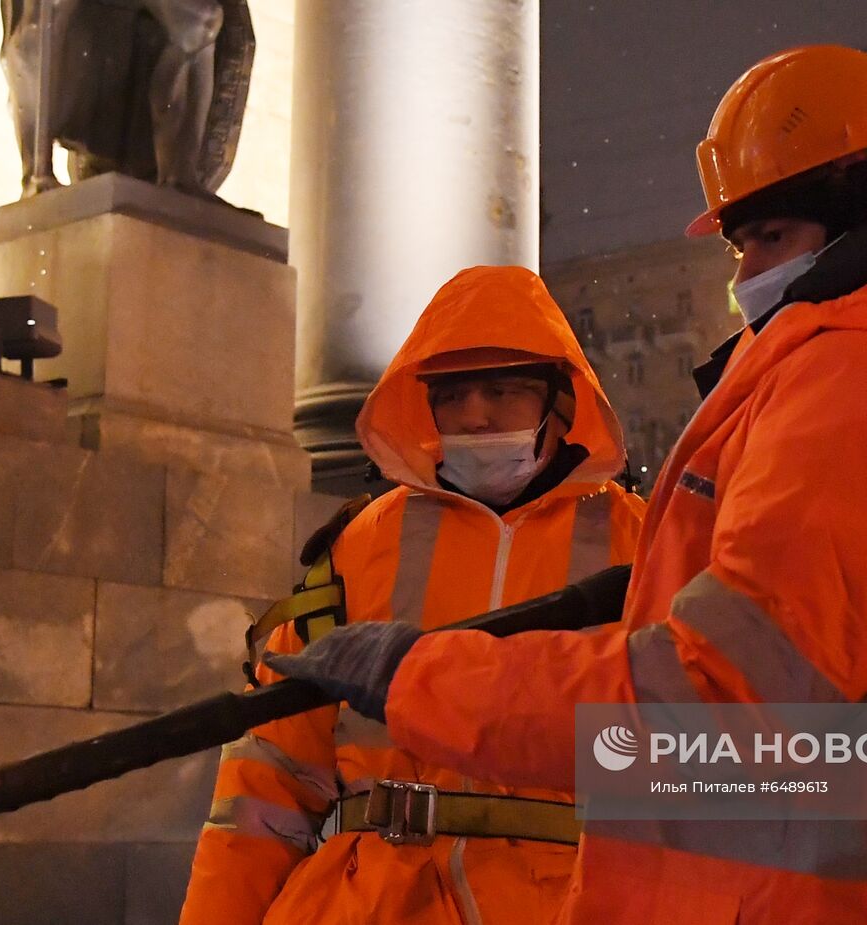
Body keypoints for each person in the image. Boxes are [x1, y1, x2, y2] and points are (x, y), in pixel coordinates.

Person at [268, 46, 867, 923]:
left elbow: (714, 714)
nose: (745, 279)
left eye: (768, 237)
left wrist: (415, 674)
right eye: (738, 247)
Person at [179, 265, 645, 924]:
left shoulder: (647, 544)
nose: (473, 413)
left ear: (559, 400)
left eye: (501, 388)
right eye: (450, 394)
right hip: (369, 903)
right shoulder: (358, 546)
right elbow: (266, 780)